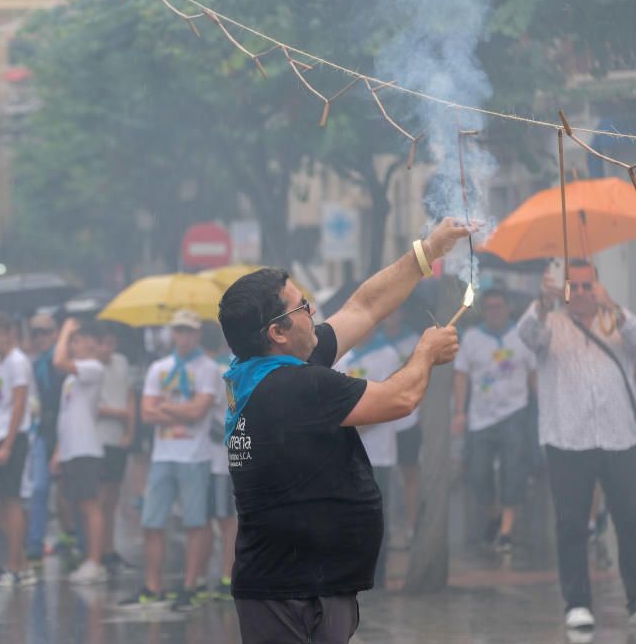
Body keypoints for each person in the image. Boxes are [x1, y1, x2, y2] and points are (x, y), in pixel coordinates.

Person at [217, 219, 468, 644]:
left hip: (302, 583)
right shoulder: (296, 387)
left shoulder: (268, 371)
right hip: (294, 592)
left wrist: (427, 250)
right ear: (277, 332)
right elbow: (399, 399)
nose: (312, 312)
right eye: (301, 308)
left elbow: (363, 308)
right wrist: (426, 353)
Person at [517, 259, 636, 633]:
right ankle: (578, 603)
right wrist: (542, 299)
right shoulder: (549, 324)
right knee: (571, 525)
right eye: (575, 287)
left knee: (630, 522)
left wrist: (613, 308)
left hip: (619, 436)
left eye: (588, 286)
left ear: (598, 287)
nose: (582, 293)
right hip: (568, 438)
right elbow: (526, 333)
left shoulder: (618, 321)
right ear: (563, 290)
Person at [119, 309, 219, 612]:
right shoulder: (158, 368)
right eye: (179, 331)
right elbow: (147, 413)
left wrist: (166, 408)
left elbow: (197, 413)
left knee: (195, 523)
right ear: (172, 334)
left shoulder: (208, 368)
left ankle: (190, 585)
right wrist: (179, 409)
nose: (184, 337)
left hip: (195, 456)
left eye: (189, 331)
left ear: (198, 334)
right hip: (163, 455)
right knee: (152, 521)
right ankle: (154, 586)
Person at [453, 287, 535, 552]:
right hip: (481, 418)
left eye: (499, 306)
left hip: (515, 412)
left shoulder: (521, 334)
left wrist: (543, 406)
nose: (494, 312)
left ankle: (506, 531)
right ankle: (494, 515)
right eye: (489, 307)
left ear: (508, 307)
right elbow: (461, 375)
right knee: (478, 473)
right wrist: (460, 412)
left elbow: (533, 373)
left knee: (513, 470)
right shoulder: (473, 338)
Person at [334, 331, 403, 586]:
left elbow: (391, 400)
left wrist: (353, 423)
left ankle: (378, 575)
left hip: (378, 454)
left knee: (375, 517)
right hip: (343, 454)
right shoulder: (341, 357)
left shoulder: (388, 355)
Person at [49, 318, 108, 584]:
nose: (77, 344)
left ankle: (96, 561)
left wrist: (65, 330)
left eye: (82, 340)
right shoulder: (71, 379)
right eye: (75, 340)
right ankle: (89, 557)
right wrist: (58, 451)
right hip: (71, 448)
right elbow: (66, 416)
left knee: (89, 505)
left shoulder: (93, 367)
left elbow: (58, 361)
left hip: (86, 448)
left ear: (95, 345)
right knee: (78, 506)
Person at [0, 312, 36, 587]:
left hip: (14, 437)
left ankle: (15, 567)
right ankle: (21, 560)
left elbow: (19, 404)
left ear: (10, 334)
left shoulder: (17, 362)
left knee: (12, 501)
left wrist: (9, 444)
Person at [92, 321, 136, 573]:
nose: (107, 348)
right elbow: (92, 407)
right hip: (100, 439)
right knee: (99, 499)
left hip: (119, 438)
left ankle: (109, 548)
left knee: (112, 498)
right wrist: (120, 413)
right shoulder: (91, 368)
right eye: (102, 343)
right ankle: (98, 551)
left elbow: (130, 396)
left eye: (110, 343)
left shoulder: (121, 362)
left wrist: (129, 429)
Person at [26, 313, 67, 563]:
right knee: (39, 489)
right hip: (42, 431)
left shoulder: (61, 362)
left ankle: (75, 539)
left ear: (55, 334)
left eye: (45, 333)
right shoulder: (34, 364)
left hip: (62, 431)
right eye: (35, 333)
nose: (40, 338)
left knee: (69, 492)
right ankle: (34, 542)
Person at [201, 322, 236, 599]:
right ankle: (218, 575)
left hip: (220, 460)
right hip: (206, 459)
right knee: (213, 519)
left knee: (225, 520)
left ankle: (227, 575)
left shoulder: (223, 370)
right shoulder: (220, 368)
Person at [381, 309, 422, 543]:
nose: (391, 316)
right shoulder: (371, 342)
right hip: (379, 421)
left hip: (407, 419)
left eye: (395, 312)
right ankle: (386, 528)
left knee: (410, 473)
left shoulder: (413, 340)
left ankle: (412, 525)